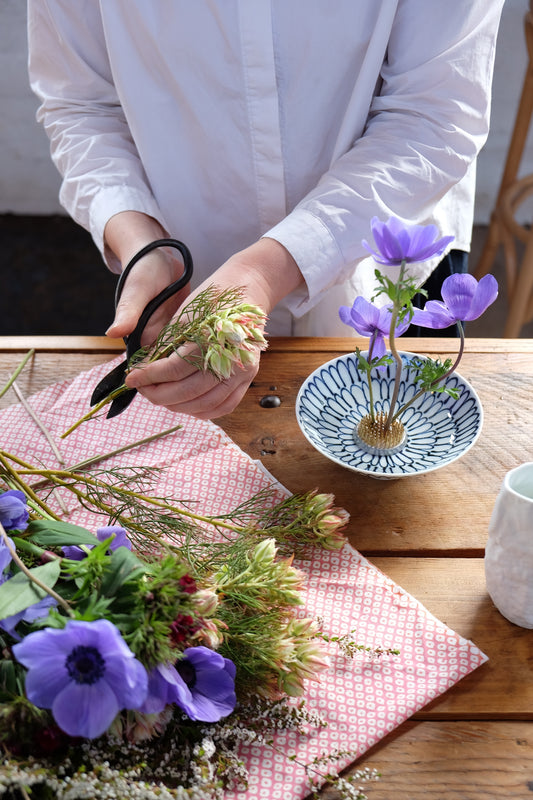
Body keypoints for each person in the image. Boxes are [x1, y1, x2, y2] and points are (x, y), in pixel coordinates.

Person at [27, 1, 504, 418]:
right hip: (186, 259)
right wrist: (141, 241)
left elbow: (435, 117)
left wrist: (262, 273)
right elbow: (81, 105)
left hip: (386, 256)